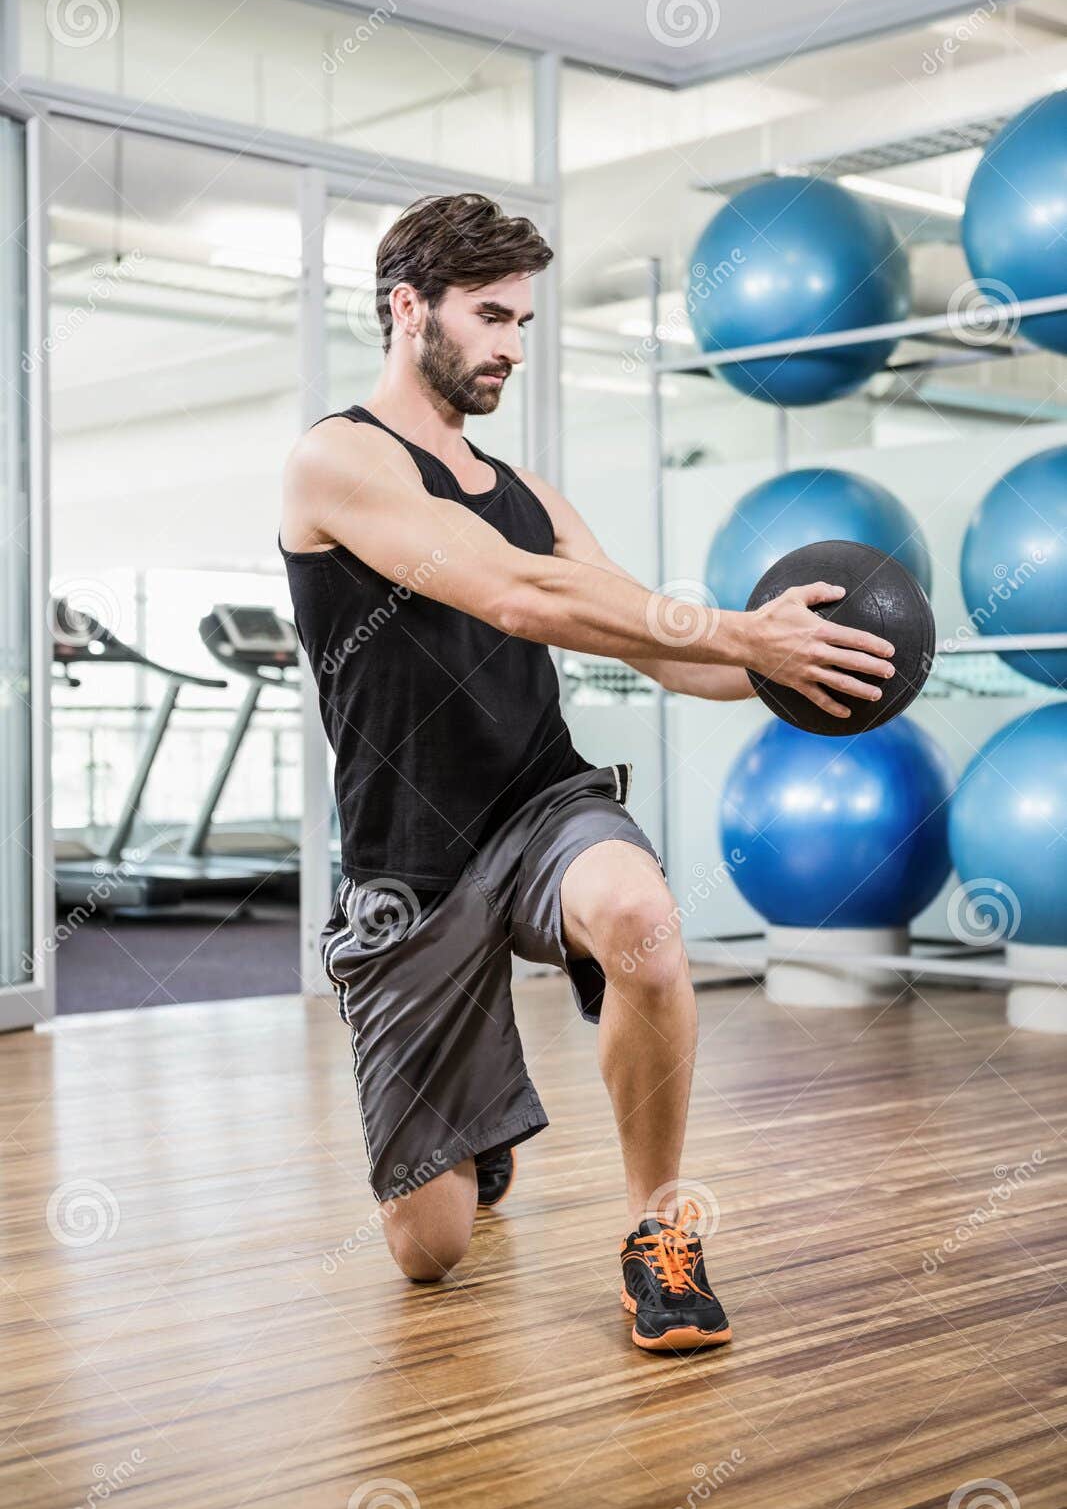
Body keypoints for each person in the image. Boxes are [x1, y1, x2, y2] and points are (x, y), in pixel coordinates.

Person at [280, 194, 895, 1353]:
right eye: (489, 315)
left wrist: (799, 674)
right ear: (406, 308)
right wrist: (737, 632)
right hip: (405, 865)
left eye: (522, 320)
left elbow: (647, 641)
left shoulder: (530, 495)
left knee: (640, 917)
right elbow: (519, 595)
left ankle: (656, 1230)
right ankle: (475, 1126)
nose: (511, 344)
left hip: (540, 804)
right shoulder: (337, 461)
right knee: (432, 1252)